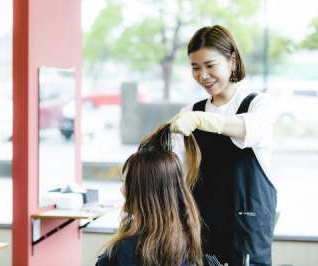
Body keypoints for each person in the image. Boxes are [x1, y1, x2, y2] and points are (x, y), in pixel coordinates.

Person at [170, 25, 277, 265]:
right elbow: (174, 168)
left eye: (210, 65)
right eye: (195, 68)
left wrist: (202, 121)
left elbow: (251, 129)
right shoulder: (190, 112)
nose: (202, 75)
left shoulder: (258, 104)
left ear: (232, 61)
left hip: (247, 235)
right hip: (200, 232)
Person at [96, 124, 203, 266]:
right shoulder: (186, 242)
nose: (121, 190)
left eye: (126, 183)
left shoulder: (123, 251)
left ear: (143, 193)